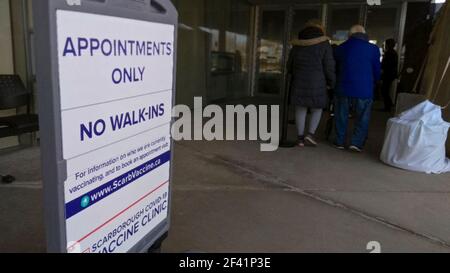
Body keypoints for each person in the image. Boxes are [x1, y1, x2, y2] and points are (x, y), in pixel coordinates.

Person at [287, 20, 336, 147]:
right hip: (318, 82)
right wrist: (332, 82)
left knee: (300, 108)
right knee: (317, 108)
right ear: (320, 31)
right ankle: (310, 134)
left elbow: (290, 65)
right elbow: (329, 66)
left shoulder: (297, 45)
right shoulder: (324, 44)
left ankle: (300, 138)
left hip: (299, 81)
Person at [334, 25, 381, 152]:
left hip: (343, 87)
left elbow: (335, 68)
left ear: (350, 35)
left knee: (341, 116)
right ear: (364, 34)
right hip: (364, 89)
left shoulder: (341, 48)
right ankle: (356, 143)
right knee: (362, 118)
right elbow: (377, 70)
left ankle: (339, 141)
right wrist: (375, 82)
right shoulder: (373, 49)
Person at [381, 38, 399, 112]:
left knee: (384, 90)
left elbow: (386, 64)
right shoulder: (393, 53)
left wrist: (382, 64)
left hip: (388, 74)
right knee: (385, 90)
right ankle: (389, 105)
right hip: (391, 74)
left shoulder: (389, 53)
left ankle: (388, 106)